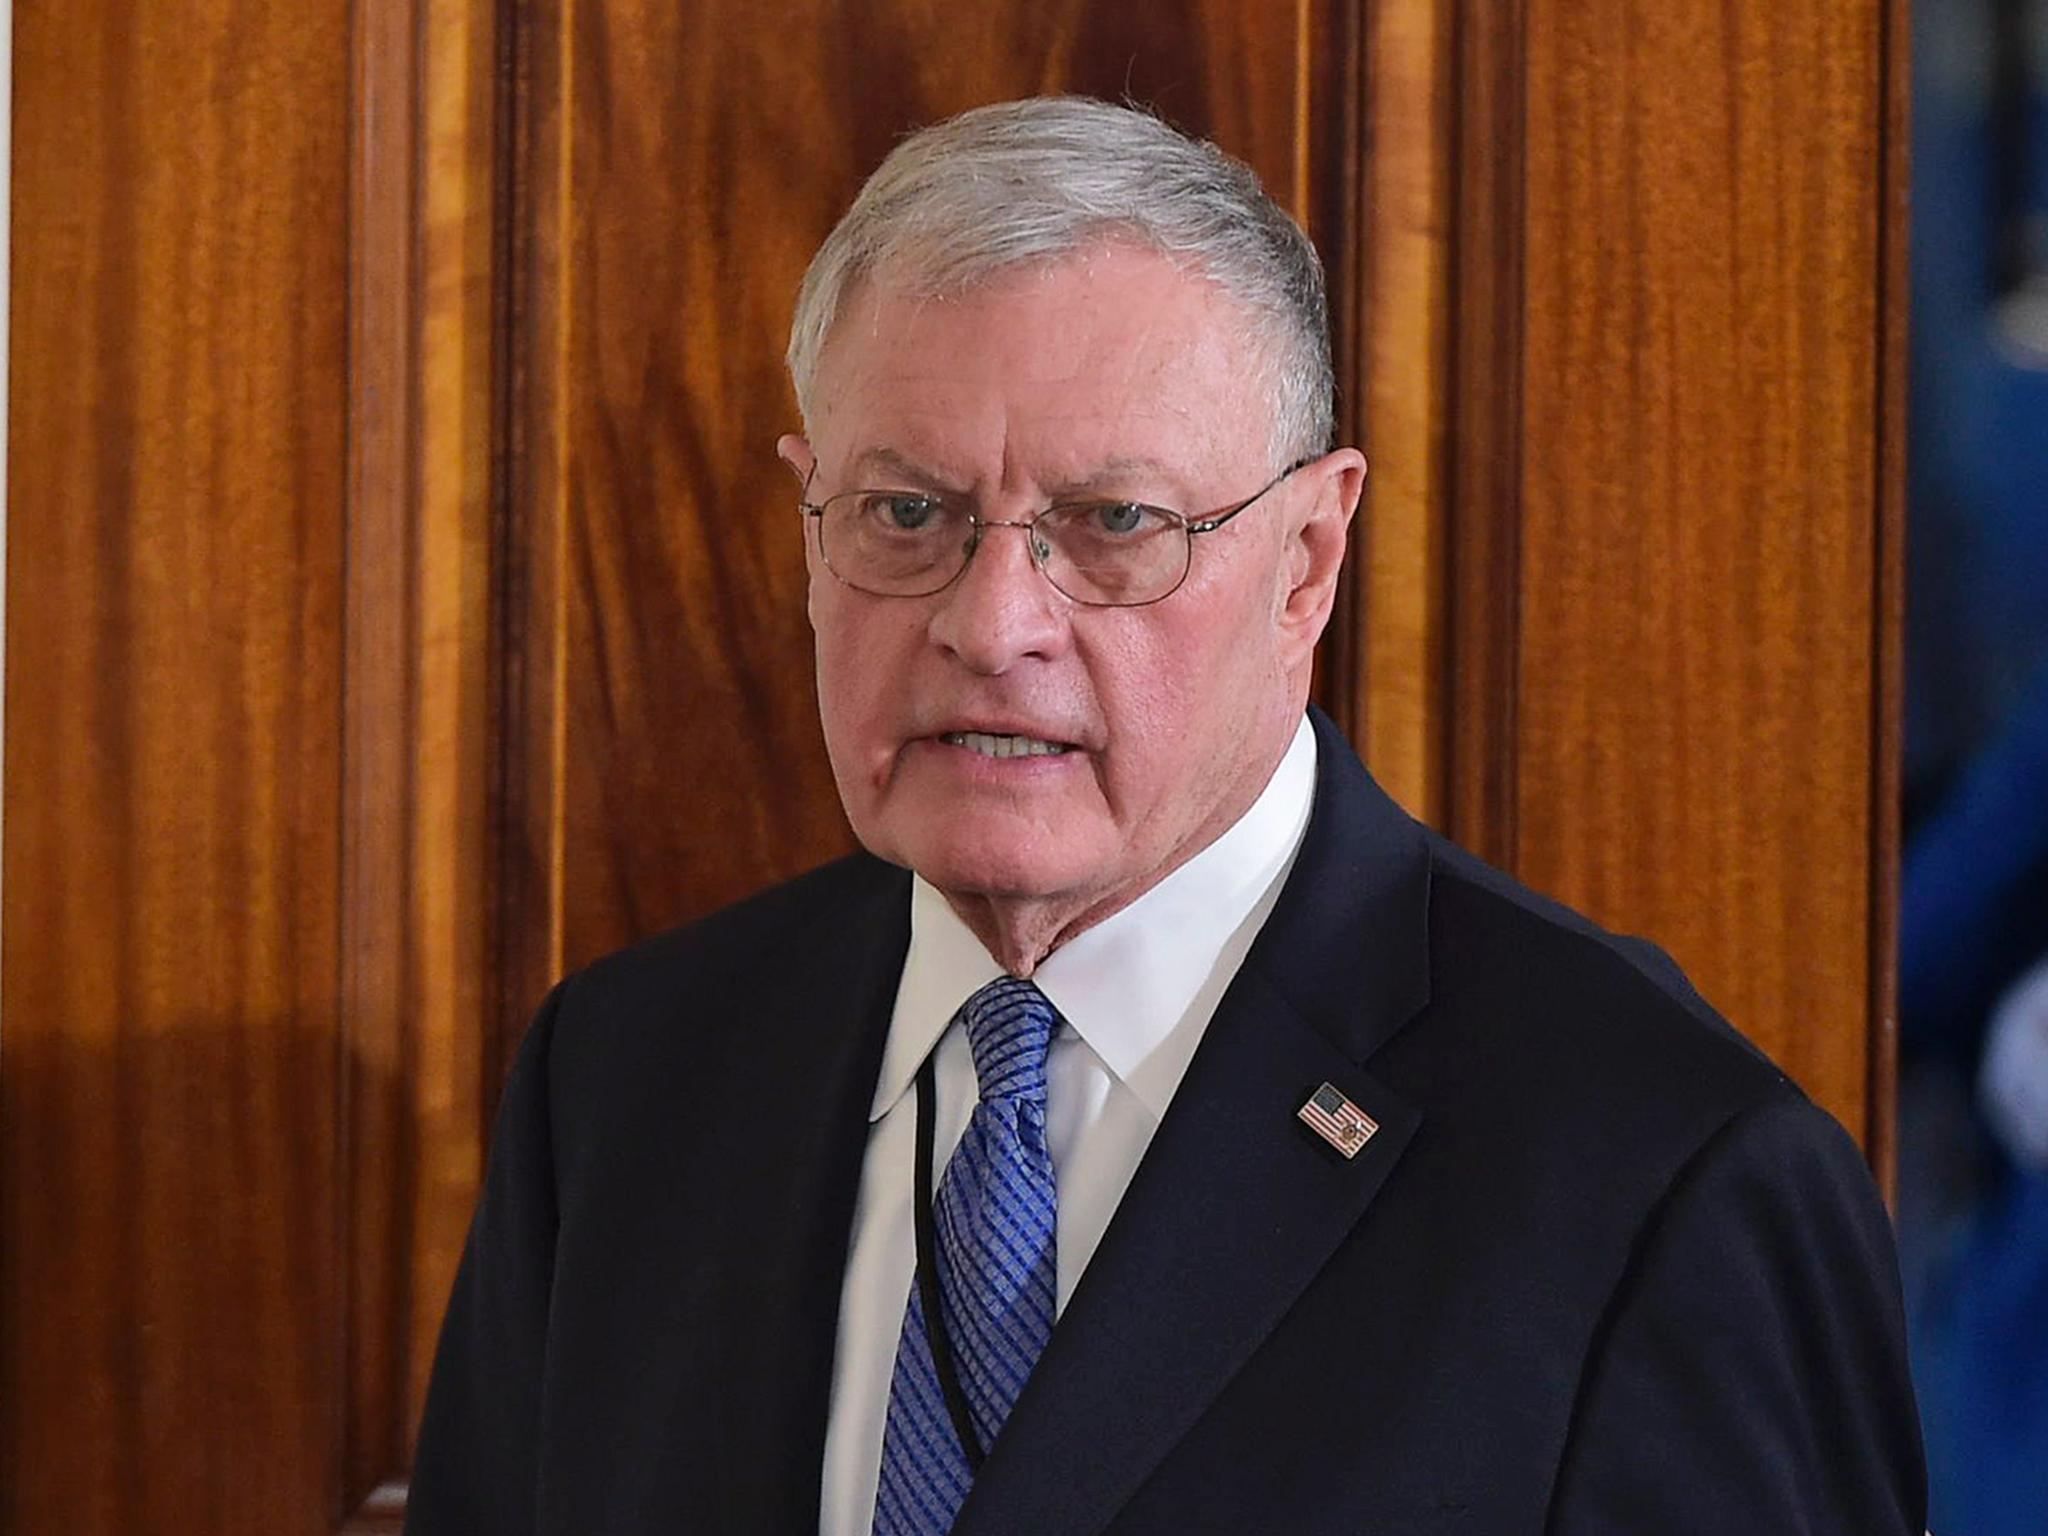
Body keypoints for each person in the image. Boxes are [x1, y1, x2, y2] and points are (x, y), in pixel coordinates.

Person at [404, 97, 1926, 1535]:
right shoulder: (623, 1083)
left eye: (1114, 523)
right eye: (907, 513)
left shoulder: (1657, 1173)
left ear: (1310, 559)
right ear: (810, 522)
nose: (993, 623)